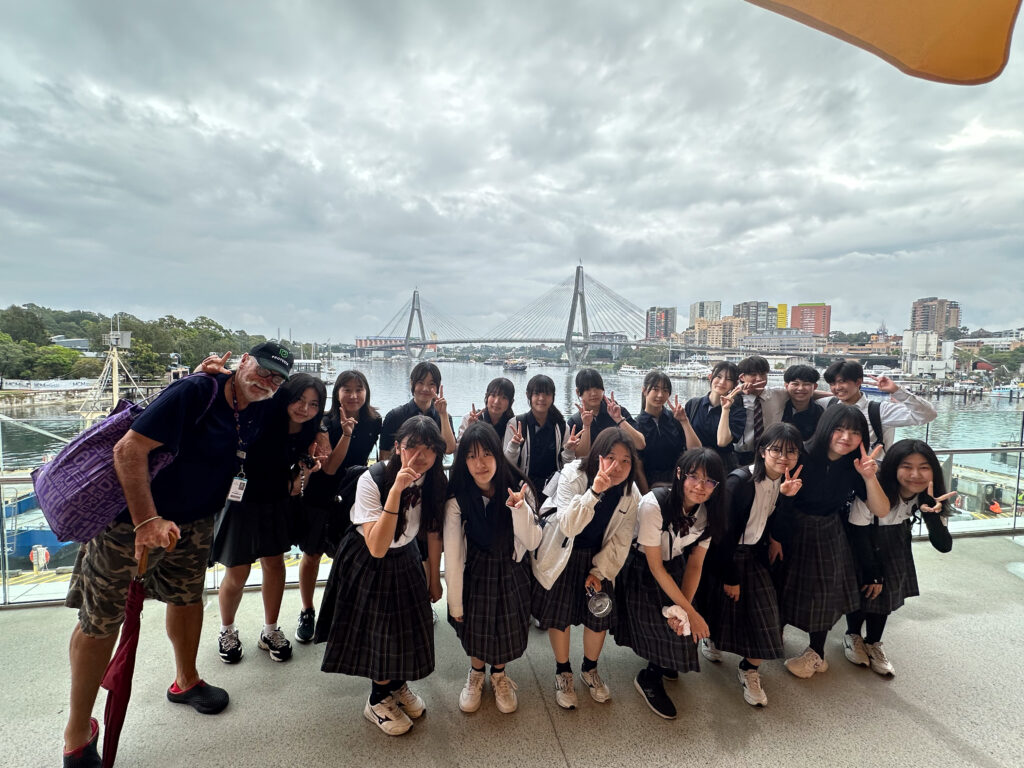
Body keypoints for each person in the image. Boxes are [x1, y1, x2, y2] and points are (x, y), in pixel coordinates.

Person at [61, 343, 289, 767]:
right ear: (243, 363)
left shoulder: (258, 407)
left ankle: (186, 681)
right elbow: (127, 451)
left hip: (194, 523)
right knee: (100, 621)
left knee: (187, 601)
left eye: (277, 378)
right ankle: (76, 731)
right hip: (131, 524)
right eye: (262, 370)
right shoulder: (194, 392)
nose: (267, 381)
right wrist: (147, 520)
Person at [314, 416, 446, 736]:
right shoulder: (373, 479)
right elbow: (376, 546)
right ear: (398, 446)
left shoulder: (433, 480)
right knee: (382, 632)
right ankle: (376, 700)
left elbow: (431, 530)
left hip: (406, 556)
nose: (420, 456)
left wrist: (433, 578)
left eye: (429, 448)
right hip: (370, 559)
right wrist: (397, 489)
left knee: (405, 628)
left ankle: (396, 685)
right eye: (412, 446)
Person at [210, 373, 325, 665]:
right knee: (238, 571)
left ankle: (270, 630)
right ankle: (227, 630)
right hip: (243, 500)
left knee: (274, 565)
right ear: (286, 396)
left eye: (313, 404)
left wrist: (305, 468)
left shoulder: (307, 431)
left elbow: (297, 472)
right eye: (299, 400)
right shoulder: (264, 415)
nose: (304, 408)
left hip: (275, 502)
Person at [771, 404, 889, 678]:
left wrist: (869, 477)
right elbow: (777, 500)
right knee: (783, 583)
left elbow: (881, 510)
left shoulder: (855, 465)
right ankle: (775, 633)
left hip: (828, 527)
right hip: (792, 525)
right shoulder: (802, 455)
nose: (846, 437)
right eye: (839, 429)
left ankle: (816, 651)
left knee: (825, 590)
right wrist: (776, 537)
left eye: (855, 432)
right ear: (826, 428)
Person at [531, 429, 642, 710]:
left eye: (626, 461)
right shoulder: (573, 475)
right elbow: (568, 525)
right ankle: (563, 671)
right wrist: (595, 492)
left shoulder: (632, 493)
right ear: (597, 456)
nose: (617, 466)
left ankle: (589, 668)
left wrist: (600, 571)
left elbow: (621, 540)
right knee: (560, 615)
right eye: (610, 457)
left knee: (599, 615)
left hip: (599, 557)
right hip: (563, 552)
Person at [615, 448, 726, 720]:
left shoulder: (710, 511)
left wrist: (683, 611)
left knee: (680, 627)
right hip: (641, 568)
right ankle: (648, 677)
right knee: (669, 627)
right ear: (679, 474)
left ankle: (664, 659)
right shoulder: (655, 504)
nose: (701, 486)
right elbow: (654, 566)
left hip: (674, 564)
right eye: (694, 477)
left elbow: (696, 563)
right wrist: (691, 613)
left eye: (709, 480)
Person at [700, 423, 804, 708]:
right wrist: (730, 575)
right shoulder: (740, 482)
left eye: (791, 452)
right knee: (722, 605)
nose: (784, 457)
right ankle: (711, 640)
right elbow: (723, 532)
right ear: (762, 451)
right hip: (728, 553)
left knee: (768, 618)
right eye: (776, 450)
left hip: (756, 553)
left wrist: (787, 500)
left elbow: (777, 523)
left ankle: (749, 668)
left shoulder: (785, 482)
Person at [444, 422, 542, 714]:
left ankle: (498, 675)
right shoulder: (457, 501)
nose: (480, 463)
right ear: (463, 461)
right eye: (471, 456)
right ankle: (476, 674)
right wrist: (455, 604)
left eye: (487, 454)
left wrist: (520, 509)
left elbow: (533, 540)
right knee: (474, 627)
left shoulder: (519, 489)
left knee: (508, 626)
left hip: (512, 570)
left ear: (498, 455)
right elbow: (452, 555)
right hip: (476, 573)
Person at [844, 439, 954, 677]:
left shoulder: (927, 496)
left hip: (896, 542)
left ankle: (873, 642)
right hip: (863, 541)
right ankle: (852, 635)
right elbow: (857, 531)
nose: (916, 474)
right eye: (907, 466)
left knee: (887, 595)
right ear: (894, 467)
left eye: (924, 467)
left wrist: (935, 516)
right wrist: (873, 573)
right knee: (863, 590)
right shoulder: (873, 490)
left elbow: (944, 546)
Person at [292, 370, 382, 643]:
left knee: (351, 558)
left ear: (366, 392)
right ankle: (307, 611)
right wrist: (345, 433)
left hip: (355, 498)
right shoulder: (324, 422)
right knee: (312, 554)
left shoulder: (374, 421)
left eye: (359, 389)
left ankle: (345, 612)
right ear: (337, 393)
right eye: (347, 389)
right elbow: (330, 468)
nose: (353, 395)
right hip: (321, 496)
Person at [822, 360, 937, 451]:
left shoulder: (880, 411)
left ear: (858, 382)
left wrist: (897, 391)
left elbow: (928, 415)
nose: (837, 387)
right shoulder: (828, 405)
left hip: (871, 475)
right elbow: (806, 396)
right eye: (832, 383)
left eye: (842, 382)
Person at [502, 374, 580, 505]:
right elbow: (507, 465)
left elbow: (568, 467)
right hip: (523, 488)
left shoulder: (561, 427)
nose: (541, 399)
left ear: (553, 397)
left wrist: (569, 451)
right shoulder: (516, 424)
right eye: (537, 393)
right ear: (528, 395)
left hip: (553, 490)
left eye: (547, 394)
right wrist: (514, 446)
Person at [636, 370, 700, 490]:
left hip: (678, 481)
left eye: (665, 390)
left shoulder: (675, 419)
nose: (660, 395)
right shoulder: (637, 425)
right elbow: (639, 468)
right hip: (652, 484)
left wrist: (684, 421)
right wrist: (646, 495)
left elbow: (696, 451)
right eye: (655, 389)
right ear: (644, 390)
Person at [379, 361, 456, 459]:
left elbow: (449, 449)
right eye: (420, 382)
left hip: (432, 473)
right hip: (401, 472)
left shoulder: (443, 417)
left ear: (437, 386)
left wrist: (443, 414)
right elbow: (384, 456)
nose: (425, 388)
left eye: (431, 384)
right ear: (412, 383)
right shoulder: (395, 416)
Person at [565, 368, 645, 457]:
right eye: (588, 389)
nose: (593, 393)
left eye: (597, 388)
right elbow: (581, 456)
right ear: (578, 392)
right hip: (593, 470)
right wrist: (586, 427)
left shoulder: (618, 411)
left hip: (620, 468)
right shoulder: (575, 422)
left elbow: (640, 444)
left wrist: (619, 419)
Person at [685, 361, 746, 472]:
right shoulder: (693, 404)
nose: (722, 382)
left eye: (728, 379)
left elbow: (722, 441)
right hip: (694, 464)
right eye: (718, 376)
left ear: (735, 384)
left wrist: (725, 409)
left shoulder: (737, 412)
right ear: (710, 377)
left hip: (721, 468)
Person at [458, 377, 516, 443]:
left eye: (504, 397)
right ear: (486, 397)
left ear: (511, 402)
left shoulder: (513, 425)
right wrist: (469, 430)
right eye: (493, 395)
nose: (496, 401)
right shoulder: (469, 419)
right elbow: (458, 451)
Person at [781, 365, 825, 439]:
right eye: (795, 384)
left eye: (806, 384)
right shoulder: (778, 407)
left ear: (815, 387)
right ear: (786, 386)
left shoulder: (820, 413)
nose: (800, 388)